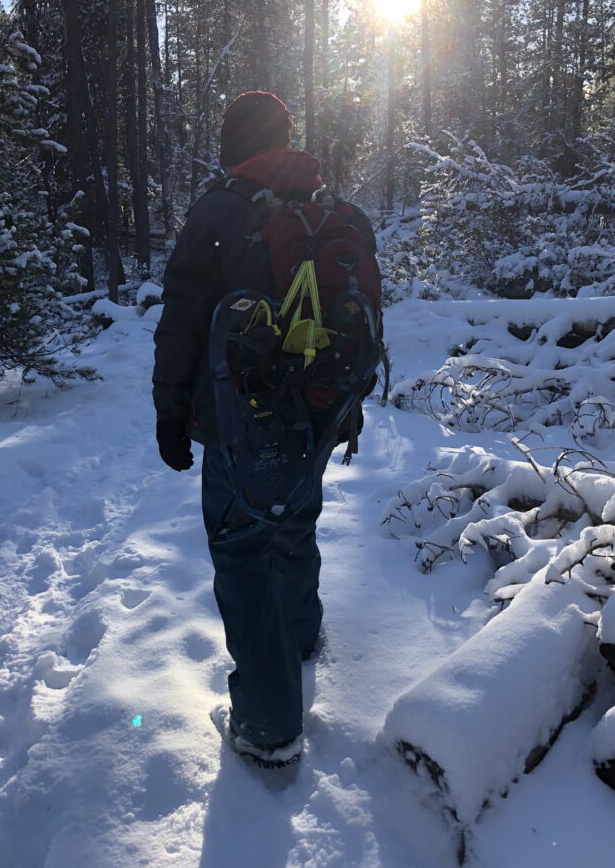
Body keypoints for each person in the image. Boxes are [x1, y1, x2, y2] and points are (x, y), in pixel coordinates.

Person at [152, 90, 379, 767]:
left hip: (238, 420)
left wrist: (169, 414)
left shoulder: (219, 213)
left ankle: (269, 724)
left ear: (233, 145)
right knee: (295, 521)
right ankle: (302, 637)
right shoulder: (336, 213)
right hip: (318, 411)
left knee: (244, 548)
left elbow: (183, 323)